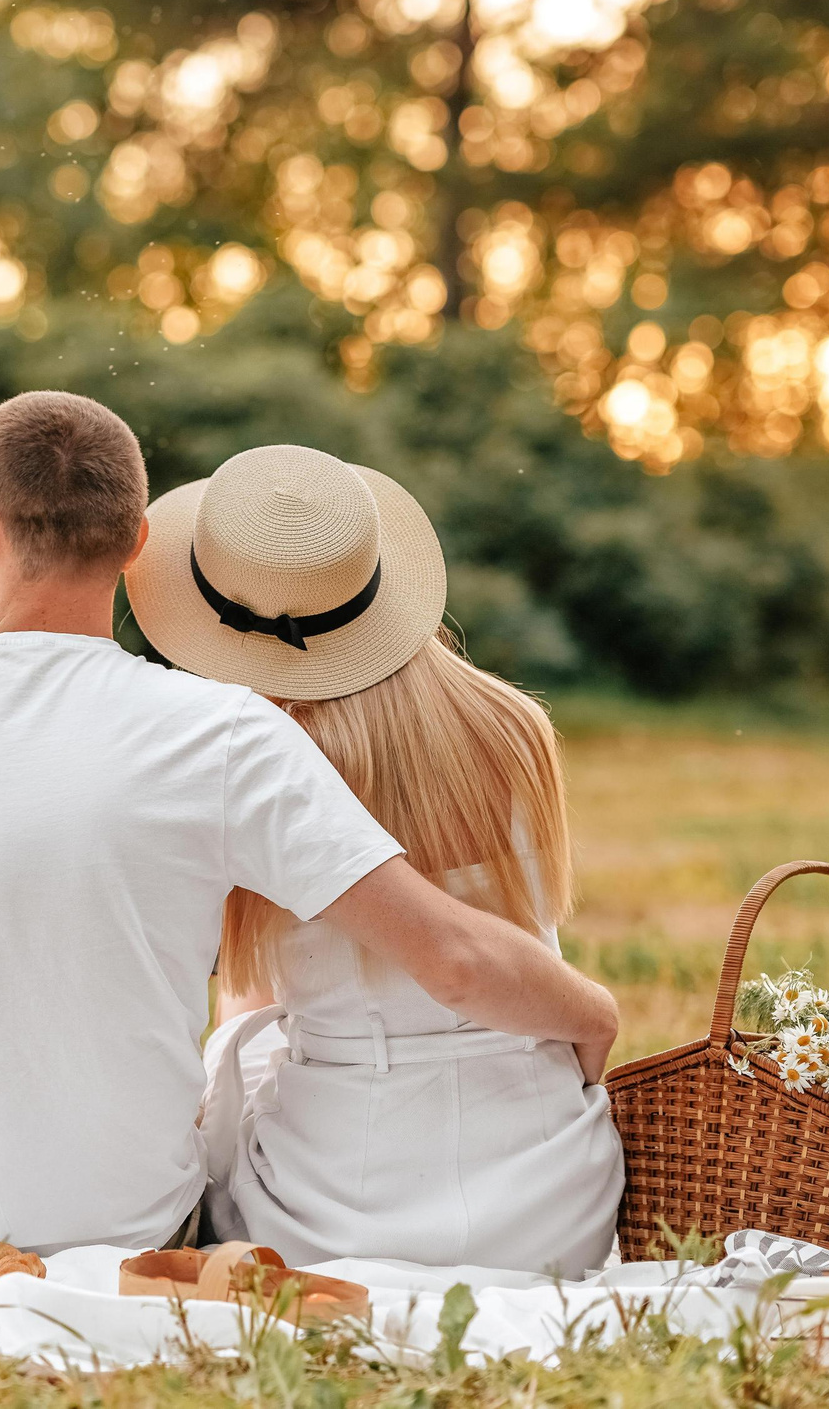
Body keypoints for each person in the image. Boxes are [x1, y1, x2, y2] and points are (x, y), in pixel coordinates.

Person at [0, 391, 617, 1252]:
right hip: (150, 1220)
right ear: (135, 543)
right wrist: (594, 1012)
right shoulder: (232, 737)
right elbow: (452, 954)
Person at [125, 444, 625, 1277]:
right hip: (557, 1201)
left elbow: (276, 991)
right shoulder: (515, 724)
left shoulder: (249, 762)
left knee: (238, 1046)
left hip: (340, 1210)